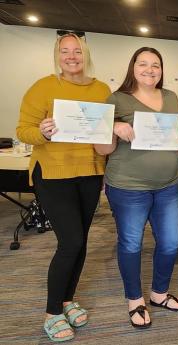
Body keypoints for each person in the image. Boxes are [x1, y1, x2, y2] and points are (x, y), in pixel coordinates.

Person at [16, 32, 111, 342]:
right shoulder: (43, 87)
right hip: (53, 174)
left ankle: (68, 299)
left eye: (77, 51)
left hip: (89, 173)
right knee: (70, 241)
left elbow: (104, 136)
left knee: (81, 241)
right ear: (58, 55)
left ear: (86, 55)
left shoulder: (101, 89)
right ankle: (51, 312)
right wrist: (41, 131)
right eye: (65, 51)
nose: (72, 57)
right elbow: (23, 130)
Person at [94, 47, 178, 329]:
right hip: (128, 186)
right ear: (132, 67)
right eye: (143, 64)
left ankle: (159, 294)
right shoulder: (117, 99)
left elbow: (171, 137)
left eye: (156, 65)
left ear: (162, 70)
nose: (150, 70)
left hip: (167, 185)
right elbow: (102, 147)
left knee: (171, 243)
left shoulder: (171, 97)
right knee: (131, 244)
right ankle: (135, 300)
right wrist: (112, 126)